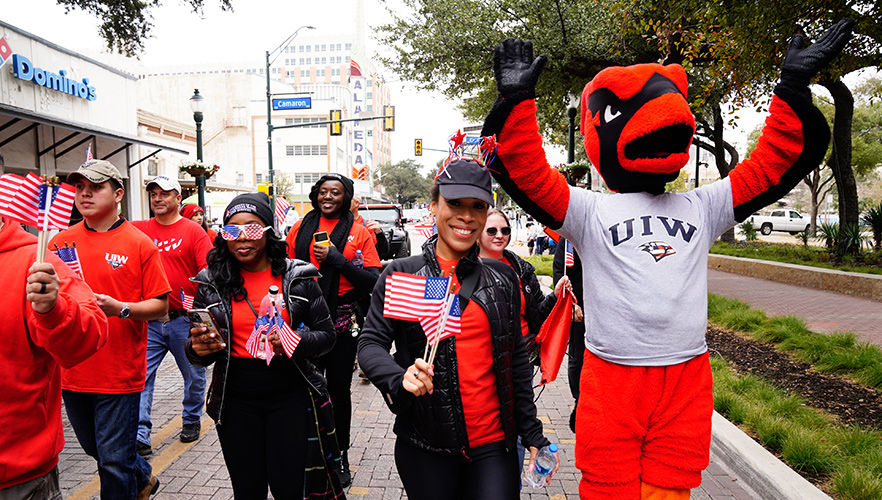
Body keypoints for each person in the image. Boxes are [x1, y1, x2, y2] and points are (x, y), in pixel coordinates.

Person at [482, 24, 852, 498]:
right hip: (611, 377)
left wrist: (791, 89)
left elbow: (772, 163)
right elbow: (526, 171)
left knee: (671, 487)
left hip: (686, 378)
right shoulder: (587, 210)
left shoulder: (703, 205)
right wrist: (516, 101)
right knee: (609, 486)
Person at [358, 158, 558, 500]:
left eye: (477, 207)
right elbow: (371, 344)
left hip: (495, 446)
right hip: (425, 446)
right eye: (455, 204)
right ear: (434, 205)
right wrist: (398, 378)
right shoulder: (402, 275)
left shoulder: (503, 276)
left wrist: (532, 432)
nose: (466, 216)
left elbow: (515, 363)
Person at [186, 192, 344, 499]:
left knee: (288, 489)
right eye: (232, 230)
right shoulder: (210, 281)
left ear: (269, 231)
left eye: (253, 229)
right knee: (247, 490)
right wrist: (197, 349)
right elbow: (195, 349)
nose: (242, 238)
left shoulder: (298, 277)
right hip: (235, 399)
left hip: (289, 394)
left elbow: (327, 337)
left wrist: (292, 340)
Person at [49, 159, 170, 500]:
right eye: (80, 187)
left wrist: (121, 309)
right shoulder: (58, 241)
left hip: (119, 373)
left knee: (114, 462)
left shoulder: (139, 243)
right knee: (97, 451)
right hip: (73, 370)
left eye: (95, 187)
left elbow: (161, 306)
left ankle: (134, 484)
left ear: (118, 194)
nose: (84, 193)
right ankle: (143, 478)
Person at [0, 214, 108, 499]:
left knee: (114, 457)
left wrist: (53, 309)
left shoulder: (34, 260)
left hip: (18, 474)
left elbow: (91, 331)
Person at [285, 173, 381, 487]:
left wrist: (339, 261)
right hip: (304, 320)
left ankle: (339, 457)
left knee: (338, 389)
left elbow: (373, 281)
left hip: (344, 320)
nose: (328, 197)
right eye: (323, 191)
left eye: (336, 192)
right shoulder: (299, 229)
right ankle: (306, 454)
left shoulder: (358, 231)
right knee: (303, 388)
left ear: (346, 197)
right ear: (316, 195)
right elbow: (282, 270)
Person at [477, 207, 570, 477]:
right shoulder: (465, 266)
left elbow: (538, 314)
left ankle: (508, 484)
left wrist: (555, 296)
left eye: (505, 230)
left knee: (517, 419)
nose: (500, 236)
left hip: (520, 359)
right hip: (481, 359)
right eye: (491, 230)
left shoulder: (520, 268)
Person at [132, 176, 213, 455]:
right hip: (149, 320)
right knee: (141, 376)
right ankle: (141, 433)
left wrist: (205, 311)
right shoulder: (139, 229)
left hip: (183, 319)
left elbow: (208, 273)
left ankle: (191, 418)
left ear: (179, 199)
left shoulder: (193, 232)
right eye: (153, 194)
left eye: (164, 194)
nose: (157, 198)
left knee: (194, 374)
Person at [552, 236, 585, 432]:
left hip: (607, 308)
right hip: (579, 308)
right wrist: (571, 304)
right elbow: (560, 273)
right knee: (577, 357)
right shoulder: (568, 242)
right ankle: (579, 399)